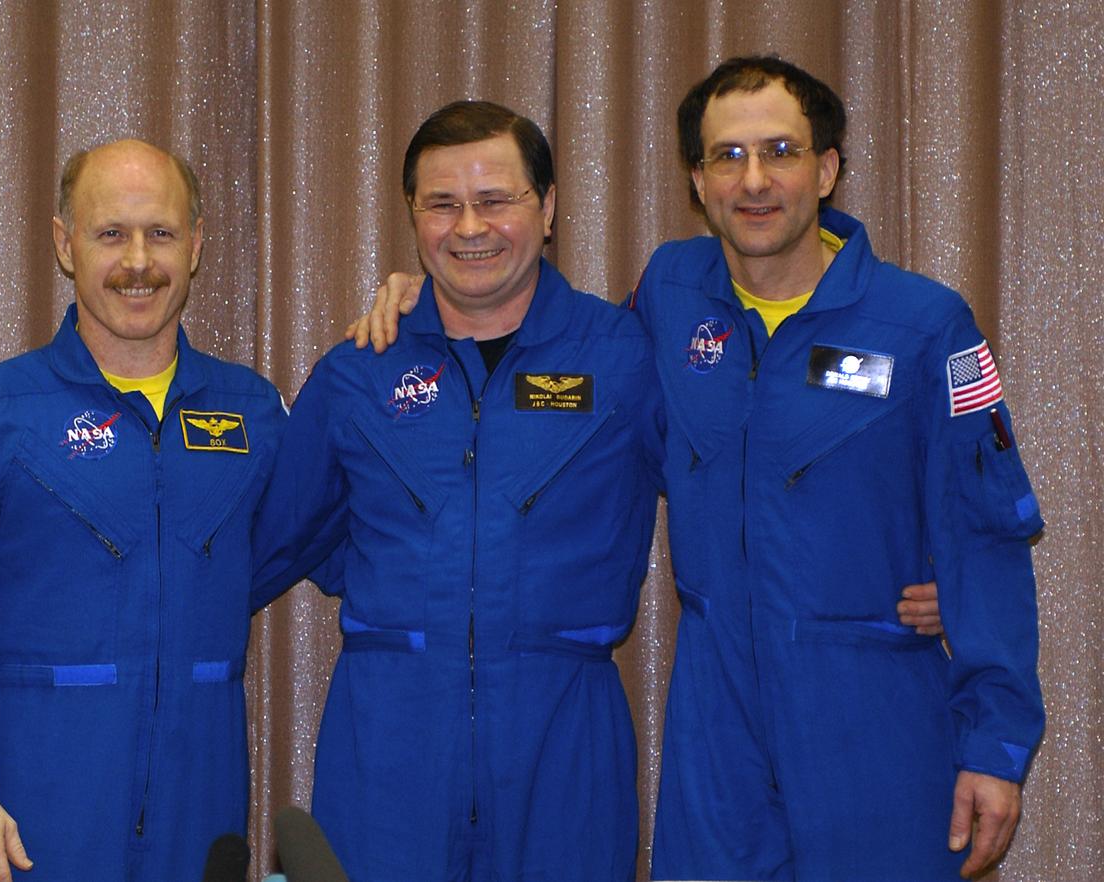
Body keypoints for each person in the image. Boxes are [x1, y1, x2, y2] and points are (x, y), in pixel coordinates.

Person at [351, 57, 1037, 881]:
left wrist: (995, 743)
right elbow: (559, 362)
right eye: (728, 156)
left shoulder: (924, 324)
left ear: (826, 170)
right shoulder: (668, 297)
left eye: (780, 152)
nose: (754, 180)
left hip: (874, 709)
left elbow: (988, 536)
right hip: (716, 728)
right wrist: (431, 304)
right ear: (698, 181)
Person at [250, 101, 666, 881]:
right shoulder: (358, 373)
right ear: (413, 214)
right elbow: (263, 544)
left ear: (548, 207)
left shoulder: (625, 359)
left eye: (495, 199)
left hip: (563, 738)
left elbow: (741, 493)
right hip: (389, 742)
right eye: (442, 204)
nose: (469, 227)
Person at [0, 139, 288, 882]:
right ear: (65, 245)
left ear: (196, 245)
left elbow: (327, 533)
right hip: (28, 820)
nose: (138, 261)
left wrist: (412, 323)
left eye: (161, 232)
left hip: (198, 813)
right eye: (110, 234)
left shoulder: (255, 414)